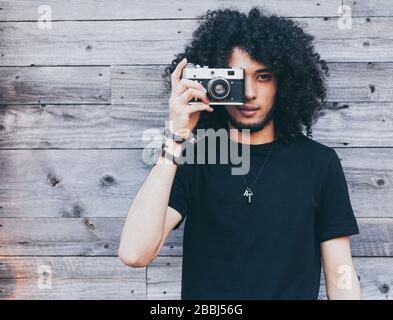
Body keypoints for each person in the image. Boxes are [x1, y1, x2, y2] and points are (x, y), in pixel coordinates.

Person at [118, 7, 361, 300]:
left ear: (284, 83)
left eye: (263, 77)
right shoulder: (197, 159)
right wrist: (175, 138)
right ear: (212, 83)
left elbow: (340, 274)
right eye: (235, 78)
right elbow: (134, 253)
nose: (248, 92)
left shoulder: (319, 164)